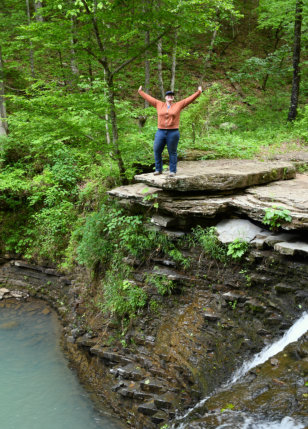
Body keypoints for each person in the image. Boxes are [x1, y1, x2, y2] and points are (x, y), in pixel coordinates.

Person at [138, 86, 202, 176]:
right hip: (160, 131)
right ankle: (158, 169)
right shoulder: (159, 104)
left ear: (173, 98)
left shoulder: (178, 105)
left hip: (173, 132)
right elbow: (149, 98)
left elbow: (189, 99)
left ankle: (172, 171)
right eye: (168, 95)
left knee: (172, 152)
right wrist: (140, 92)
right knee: (157, 150)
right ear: (165, 97)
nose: (170, 97)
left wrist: (198, 92)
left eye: (172, 95)